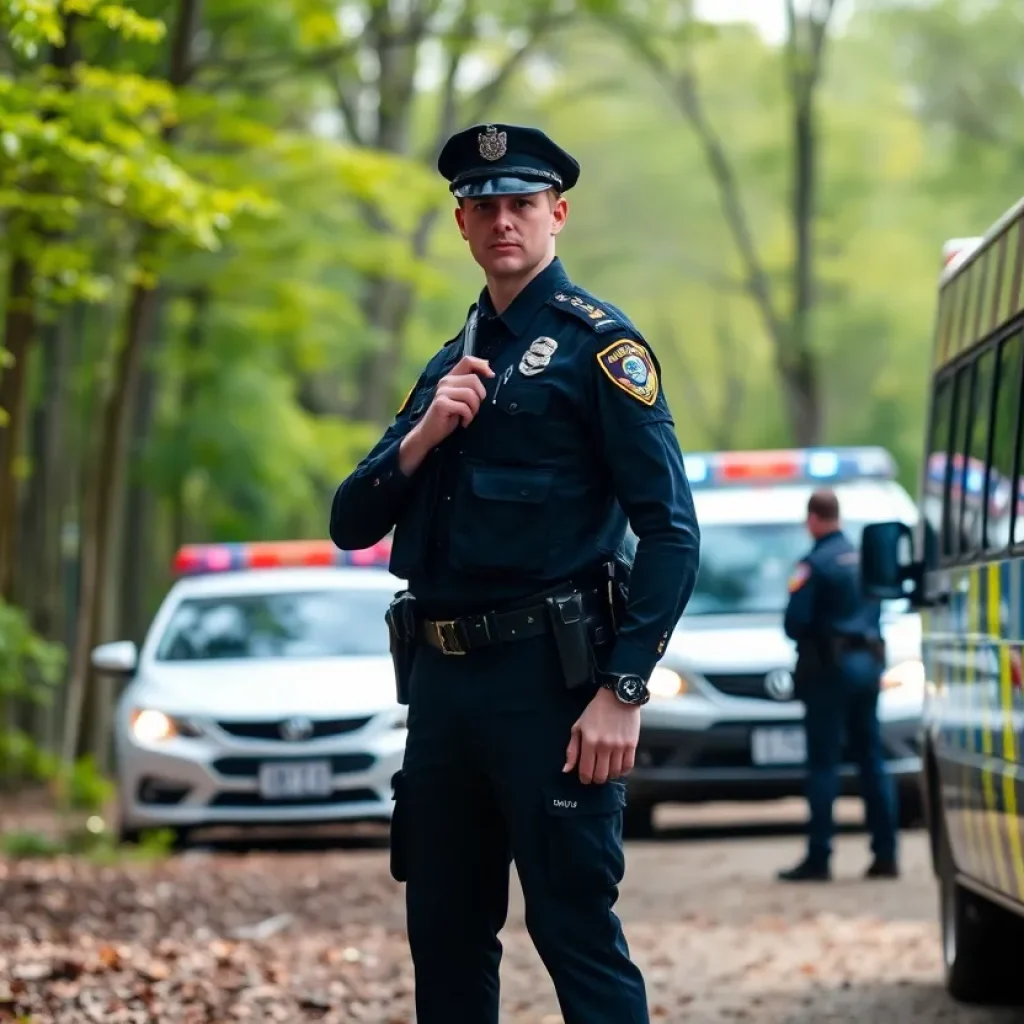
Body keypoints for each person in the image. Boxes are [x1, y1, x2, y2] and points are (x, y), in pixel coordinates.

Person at [328, 122, 700, 1024]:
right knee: (445, 934)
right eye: (484, 206)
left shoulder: (600, 350)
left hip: (552, 687)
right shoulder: (445, 365)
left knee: (574, 926)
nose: (503, 221)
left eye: (522, 205)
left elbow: (673, 534)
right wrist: (423, 437)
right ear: (462, 224)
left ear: (557, 214)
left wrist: (623, 689)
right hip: (445, 691)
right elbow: (350, 522)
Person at [777, 487, 899, 883]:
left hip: (828, 673)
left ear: (812, 519)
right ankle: (886, 854)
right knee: (872, 761)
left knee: (823, 765)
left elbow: (795, 623)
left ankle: (819, 857)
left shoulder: (813, 564)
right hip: (867, 668)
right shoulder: (865, 559)